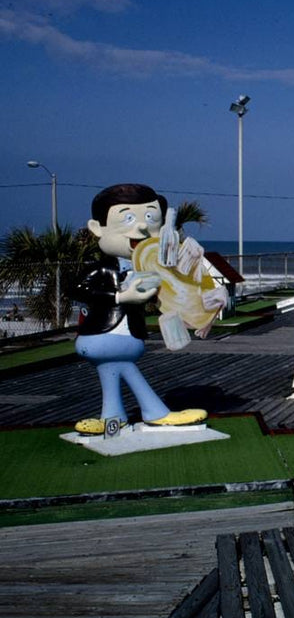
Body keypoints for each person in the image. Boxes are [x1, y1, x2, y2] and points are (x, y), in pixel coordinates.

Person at [71, 183, 206, 435]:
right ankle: (156, 412)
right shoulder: (103, 269)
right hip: (102, 335)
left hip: (125, 337)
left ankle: (112, 417)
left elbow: (176, 293)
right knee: (126, 368)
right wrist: (121, 296)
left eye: (151, 218)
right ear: (97, 228)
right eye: (128, 218)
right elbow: (77, 289)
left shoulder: (146, 269)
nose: (142, 226)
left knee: (111, 370)